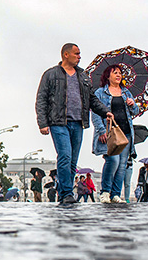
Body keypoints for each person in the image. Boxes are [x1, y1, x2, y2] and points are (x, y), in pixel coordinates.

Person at [36, 43, 113, 204]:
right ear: (66, 54)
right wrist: (42, 122)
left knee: (72, 161)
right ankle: (66, 193)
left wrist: (105, 111)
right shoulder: (51, 75)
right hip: (58, 122)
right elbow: (41, 99)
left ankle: (66, 192)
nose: (79, 57)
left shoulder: (83, 76)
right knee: (64, 155)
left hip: (78, 123)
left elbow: (91, 99)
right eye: (76, 54)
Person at [91, 64, 139, 204]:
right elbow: (95, 112)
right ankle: (105, 192)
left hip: (126, 133)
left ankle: (116, 194)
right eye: (115, 73)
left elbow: (135, 112)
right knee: (113, 160)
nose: (118, 75)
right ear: (108, 76)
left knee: (122, 164)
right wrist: (100, 130)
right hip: (110, 132)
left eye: (120, 73)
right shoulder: (100, 92)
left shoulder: (126, 93)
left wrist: (132, 105)